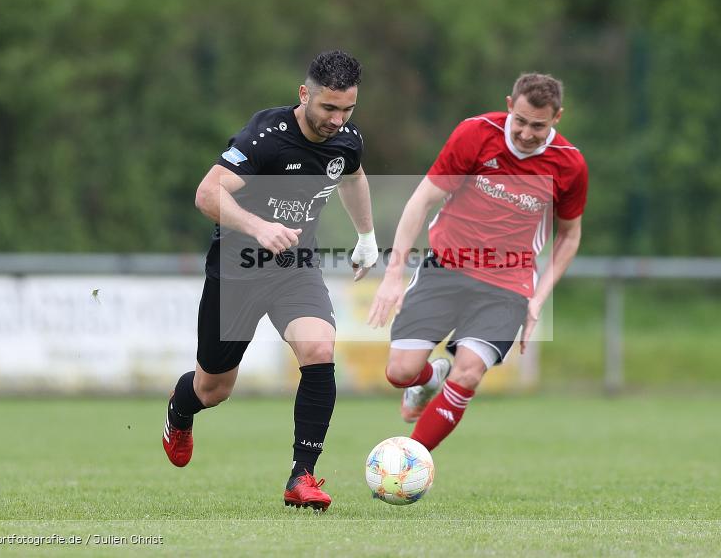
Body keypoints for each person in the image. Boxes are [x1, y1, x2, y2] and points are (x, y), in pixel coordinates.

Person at [163, 50, 378, 512]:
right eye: (328, 108)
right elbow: (207, 193)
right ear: (304, 95)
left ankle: (301, 477)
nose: (337, 120)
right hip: (237, 270)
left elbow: (353, 177)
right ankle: (180, 413)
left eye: (347, 110)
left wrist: (366, 235)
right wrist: (259, 228)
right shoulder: (266, 135)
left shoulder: (347, 139)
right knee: (212, 389)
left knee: (320, 350)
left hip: (295, 268)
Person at [368, 73, 587, 451]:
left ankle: (410, 461)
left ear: (557, 118)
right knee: (400, 373)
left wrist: (538, 299)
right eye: (520, 121)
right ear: (508, 106)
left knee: (469, 372)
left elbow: (569, 235)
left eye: (538, 125)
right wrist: (392, 274)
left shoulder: (569, 165)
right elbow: (421, 201)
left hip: (508, 283)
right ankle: (430, 377)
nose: (526, 133)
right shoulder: (475, 134)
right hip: (446, 267)